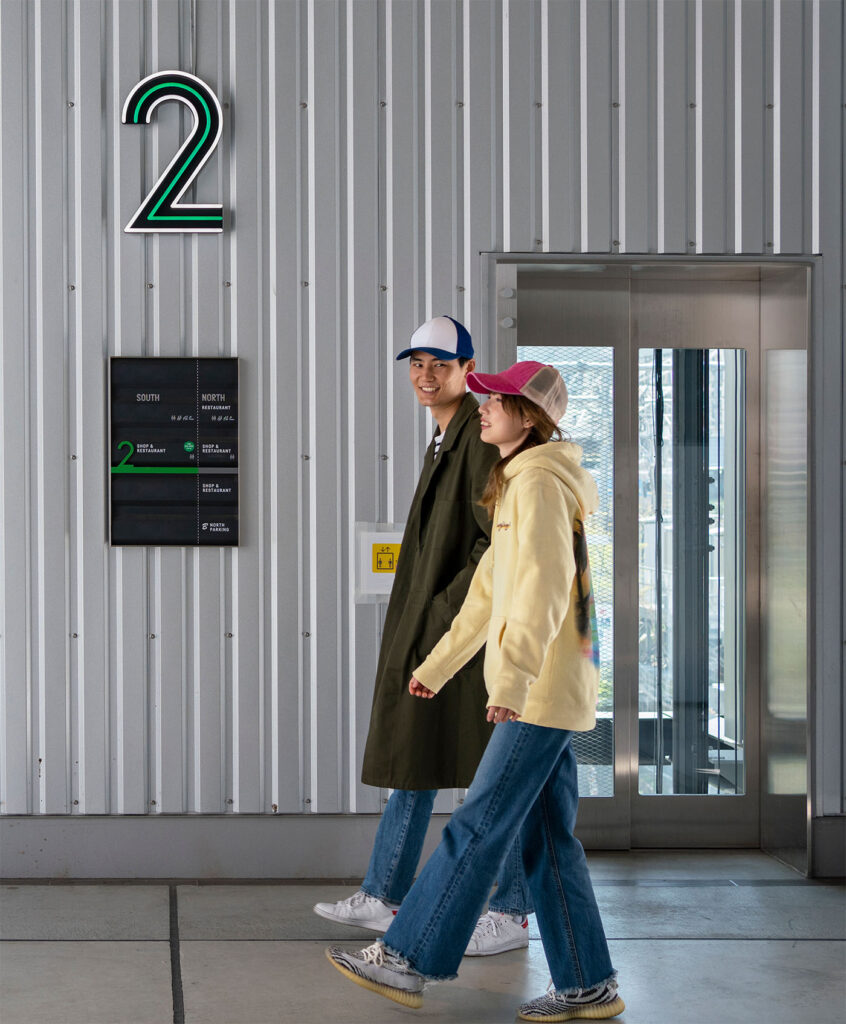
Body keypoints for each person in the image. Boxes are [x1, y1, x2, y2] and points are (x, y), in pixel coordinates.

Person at [326, 361, 625, 1022]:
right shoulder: (518, 484)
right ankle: (588, 984)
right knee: (547, 840)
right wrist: (435, 668)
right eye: (484, 396)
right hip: (546, 687)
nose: (482, 405)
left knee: (480, 823)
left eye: (498, 399)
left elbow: (543, 595)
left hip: (540, 691)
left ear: (531, 417)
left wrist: (512, 681)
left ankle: (408, 957)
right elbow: (487, 596)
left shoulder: (541, 487)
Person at [314, 317, 533, 956]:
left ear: (468, 368)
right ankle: (385, 892)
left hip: (469, 638)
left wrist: (441, 612)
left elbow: (496, 543)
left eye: (440, 362)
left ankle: (514, 910)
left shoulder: (477, 437)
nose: (425, 375)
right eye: (416, 362)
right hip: (440, 632)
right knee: (416, 752)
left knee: (495, 772)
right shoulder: (448, 436)